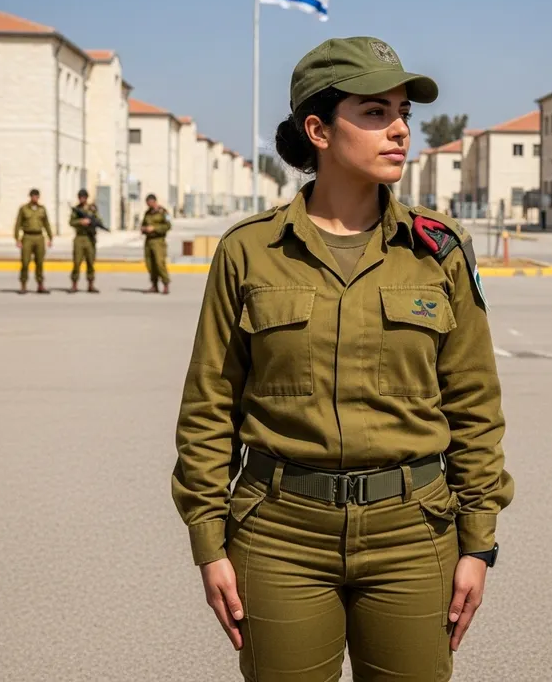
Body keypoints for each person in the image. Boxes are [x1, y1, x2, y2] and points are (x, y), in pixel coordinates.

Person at [171, 37, 513, 682]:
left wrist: (480, 540)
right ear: (318, 129)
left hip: (413, 531)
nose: (400, 131)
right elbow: (210, 404)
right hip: (279, 534)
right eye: (376, 112)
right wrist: (207, 541)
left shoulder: (438, 249)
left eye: (404, 113)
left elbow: (475, 405)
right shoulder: (250, 251)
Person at [14, 188, 53, 294]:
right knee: (25, 262)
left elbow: (47, 224)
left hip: (39, 237)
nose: (35, 198)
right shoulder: (24, 209)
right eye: (33, 196)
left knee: (39, 262)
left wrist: (50, 237)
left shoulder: (42, 209)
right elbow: (18, 224)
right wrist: (17, 239)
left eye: (36, 196)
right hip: (27, 237)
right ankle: (23, 285)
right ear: (30, 197)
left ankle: (40, 285)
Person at [69, 189, 105, 293]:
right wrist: (81, 221)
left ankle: (91, 284)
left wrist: (93, 223)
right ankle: (74, 284)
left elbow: (98, 220)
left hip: (90, 238)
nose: (82, 199)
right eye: (80, 197)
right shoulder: (76, 210)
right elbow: (71, 222)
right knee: (77, 262)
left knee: (90, 262)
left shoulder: (92, 209)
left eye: (84, 197)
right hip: (80, 237)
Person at [141, 194, 171, 294]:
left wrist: (154, 228)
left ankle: (165, 284)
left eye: (149, 202)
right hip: (148, 241)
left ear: (154, 201)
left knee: (159, 263)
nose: (148, 204)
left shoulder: (163, 212)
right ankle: (154, 285)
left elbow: (168, 226)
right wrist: (144, 229)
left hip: (158, 241)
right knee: (150, 263)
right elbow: (143, 224)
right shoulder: (147, 213)